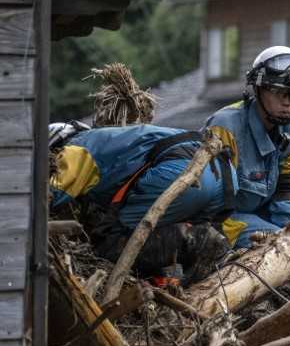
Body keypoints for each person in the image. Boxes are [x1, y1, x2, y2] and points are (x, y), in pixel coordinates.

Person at [48, 121, 236, 284]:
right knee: (169, 239)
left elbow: (49, 197)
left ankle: (198, 240)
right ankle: (207, 253)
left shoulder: (74, 148)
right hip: (222, 171)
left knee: (112, 245)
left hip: (183, 171)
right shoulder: (110, 138)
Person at [205, 46, 290, 260]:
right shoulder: (225, 128)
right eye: (278, 93)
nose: (287, 102)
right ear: (258, 90)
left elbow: (283, 194)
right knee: (281, 245)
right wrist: (286, 240)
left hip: (264, 206)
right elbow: (209, 204)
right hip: (225, 219)